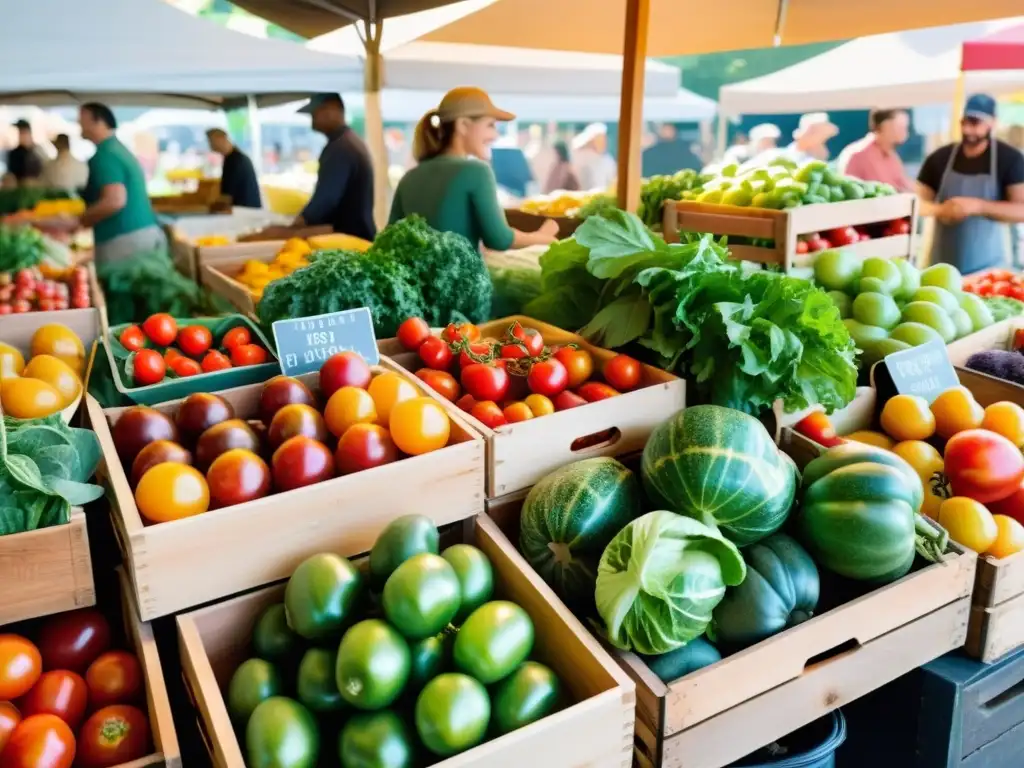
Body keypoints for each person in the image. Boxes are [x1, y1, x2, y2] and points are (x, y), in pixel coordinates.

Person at [389, 87, 558, 251]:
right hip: (466, 280)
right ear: (463, 125)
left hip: (419, 280)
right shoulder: (476, 171)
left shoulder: (410, 178)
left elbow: (390, 239)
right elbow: (499, 239)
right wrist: (541, 237)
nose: (495, 136)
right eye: (490, 125)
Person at [917, 93, 1024, 274]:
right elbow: (916, 204)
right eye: (964, 122)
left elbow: (1021, 210)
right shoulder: (939, 158)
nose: (967, 130)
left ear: (992, 122)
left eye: (975, 123)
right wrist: (941, 210)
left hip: (990, 269)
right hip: (940, 265)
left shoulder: (1010, 159)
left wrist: (979, 206)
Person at [78, 103, 165, 265]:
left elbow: (114, 200)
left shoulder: (105, 155)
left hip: (124, 240)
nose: (79, 125)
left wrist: (81, 220)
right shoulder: (117, 149)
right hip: (140, 234)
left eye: (82, 120)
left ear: (99, 122)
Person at [292, 93, 375, 240]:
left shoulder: (340, 148)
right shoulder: (348, 142)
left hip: (350, 238)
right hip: (357, 233)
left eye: (316, 113)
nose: (312, 119)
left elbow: (326, 200)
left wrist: (301, 222)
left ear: (333, 110)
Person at [837, 109, 914, 192]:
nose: (905, 132)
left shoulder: (890, 154)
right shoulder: (861, 154)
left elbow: (904, 185)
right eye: (900, 127)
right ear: (884, 126)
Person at [749, 113, 837, 169]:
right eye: (813, 132)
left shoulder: (823, 162)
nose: (817, 137)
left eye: (821, 134)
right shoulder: (773, 155)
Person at [206, 128, 262, 208]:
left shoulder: (236, 161)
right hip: (244, 210)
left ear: (222, 138)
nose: (210, 145)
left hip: (244, 211)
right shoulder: (234, 158)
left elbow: (228, 195)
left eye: (211, 141)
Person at [572, 123, 616, 191]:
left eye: (603, 139)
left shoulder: (608, 160)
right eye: (599, 140)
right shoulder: (584, 158)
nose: (603, 142)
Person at [5, 120, 43, 184]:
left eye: (23, 132)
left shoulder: (38, 151)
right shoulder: (14, 154)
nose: (21, 135)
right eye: (20, 132)